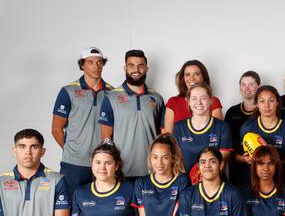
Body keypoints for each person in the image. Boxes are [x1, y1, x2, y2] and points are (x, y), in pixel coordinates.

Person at [52, 47, 114, 198]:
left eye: (99, 62)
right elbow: (56, 128)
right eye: (90, 62)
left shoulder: (112, 92)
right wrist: (72, 151)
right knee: (71, 207)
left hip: (102, 163)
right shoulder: (68, 91)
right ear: (82, 65)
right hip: (74, 164)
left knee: (99, 208)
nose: (96, 66)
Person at [98, 49, 165, 179]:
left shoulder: (157, 98)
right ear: (125, 68)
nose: (136, 69)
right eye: (131, 65)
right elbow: (106, 140)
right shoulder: (111, 98)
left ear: (147, 68)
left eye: (140, 66)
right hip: (122, 171)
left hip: (152, 170)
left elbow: (163, 136)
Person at [172, 83, 233, 183]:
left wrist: (204, 176)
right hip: (187, 185)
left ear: (210, 100)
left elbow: (222, 160)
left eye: (203, 98)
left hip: (215, 183)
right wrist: (191, 180)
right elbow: (176, 159)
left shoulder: (222, 127)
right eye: (194, 98)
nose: (199, 102)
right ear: (188, 102)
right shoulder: (179, 127)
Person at [238, 85, 285, 183]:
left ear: (277, 103)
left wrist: (270, 159)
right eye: (262, 101)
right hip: (253, 183)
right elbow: (236, 156)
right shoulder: (248, 127)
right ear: (257, 104)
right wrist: (245, 159)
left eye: (271, 101)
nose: (267, 106)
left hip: (279, 183)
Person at [163, 60, 223, 133]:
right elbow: (168, 135)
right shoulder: (173, 102)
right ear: (183, 78)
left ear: (203, 77)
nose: (192, 78)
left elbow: (217, 133)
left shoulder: (214, 101)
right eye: (187, 74)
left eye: (197, 74)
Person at [224, 71, 260, 186]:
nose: (247, 88)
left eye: (251, 84)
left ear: (258, 87)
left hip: (261, 170)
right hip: (238, 172)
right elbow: (227, 144)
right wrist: (242, 158)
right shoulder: (232, 112)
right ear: (240, 87)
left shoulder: (265, 111)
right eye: (243, 84)